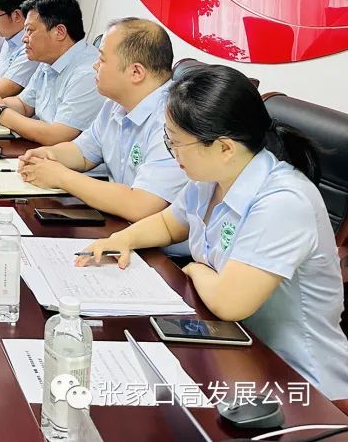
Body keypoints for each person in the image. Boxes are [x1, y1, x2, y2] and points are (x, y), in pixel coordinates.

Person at [81, 65, 348, 400]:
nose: (171, 151)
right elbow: (168, 224)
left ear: (224, 147)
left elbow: (228, 302)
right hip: (234, 348)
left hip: (300, 383)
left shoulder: (283, 202)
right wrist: (122, 239)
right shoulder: (211, 177)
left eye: (176, 142)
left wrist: (196, 269)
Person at [17, 18, 188, 226]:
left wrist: (61, 176)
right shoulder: (115, 104)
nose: (95, 65)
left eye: (102, 59)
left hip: (156, 241)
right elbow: (82, 153)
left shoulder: (174, 120)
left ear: (136, 72)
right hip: (119, 225)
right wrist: (48, 155)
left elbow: (141, 205)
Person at [0, 0, 103, 145]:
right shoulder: (48, 61)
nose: (24, 38)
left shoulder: (87, 73)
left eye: (30, 30)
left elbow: (57, 135)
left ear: (59, 32)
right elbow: (24, 105)